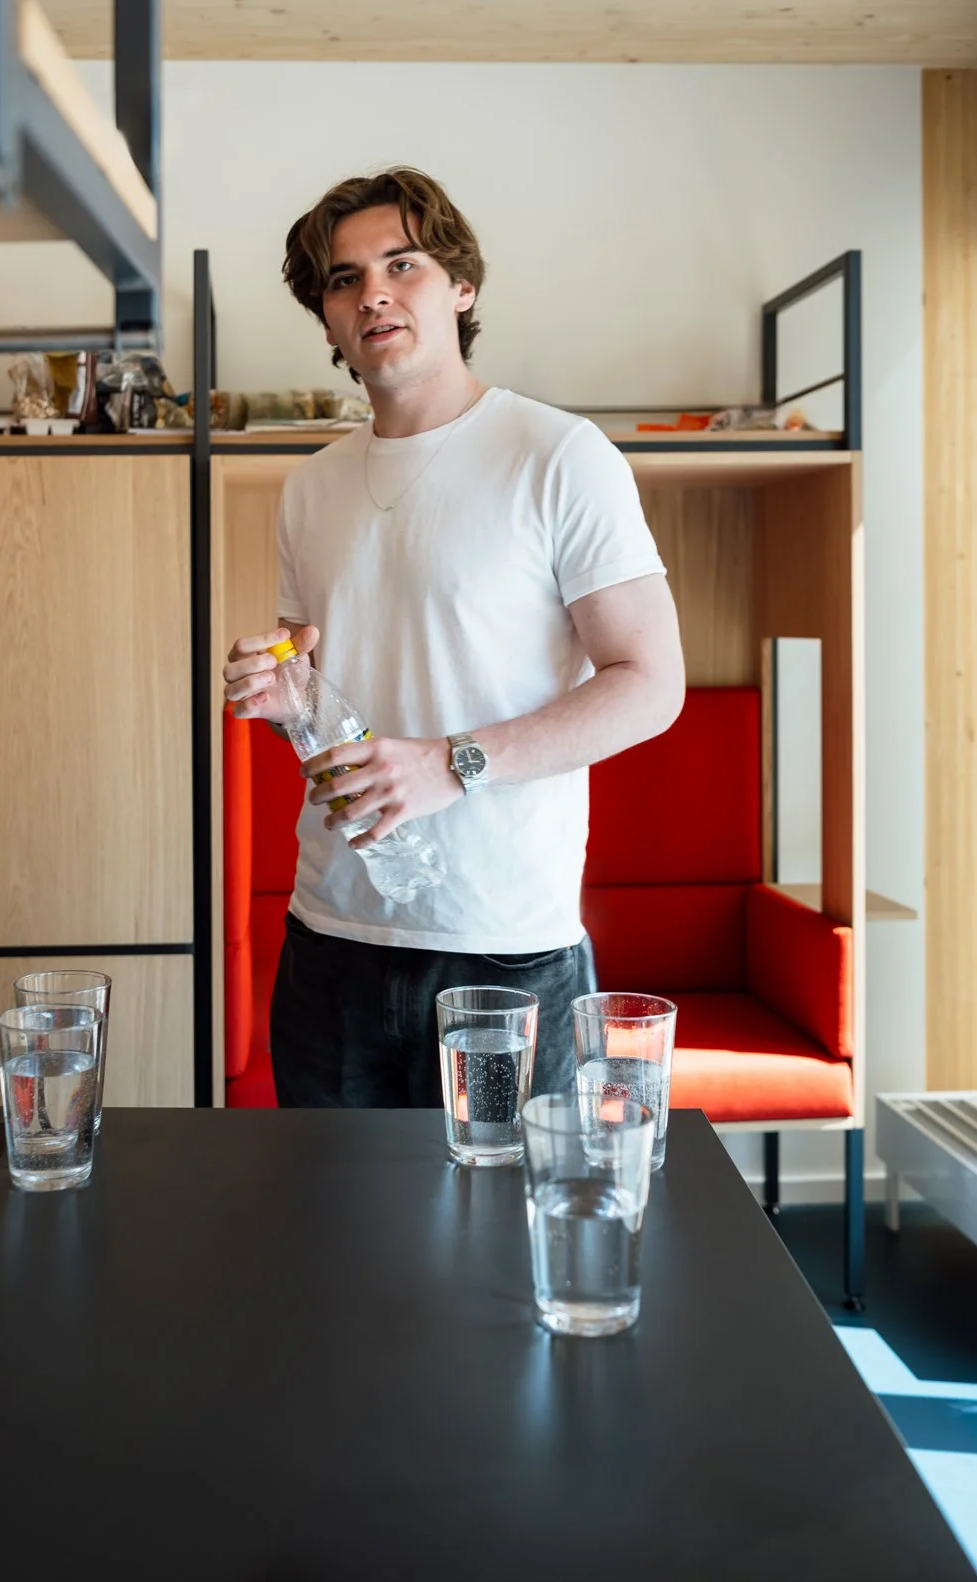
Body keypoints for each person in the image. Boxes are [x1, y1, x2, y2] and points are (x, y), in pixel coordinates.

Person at [223, 167, 685, 1108]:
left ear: (460, 286)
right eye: (344, 279)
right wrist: (288, 697)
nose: (373, 293)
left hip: (505, 950)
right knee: (326, 1208)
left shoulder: (558, 455)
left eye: (402, 265)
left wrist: (451, 763)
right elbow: (329, 699)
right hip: (330, 940)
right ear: (327, 321)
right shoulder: (309, 486)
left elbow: (649, 683)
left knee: (498, 1212)